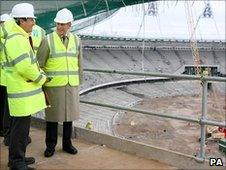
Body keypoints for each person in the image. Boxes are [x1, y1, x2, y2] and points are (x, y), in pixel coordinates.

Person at [4, 3, 48, 169]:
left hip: (23, 93)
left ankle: (18, 158)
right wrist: (41, 78)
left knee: (22, 129)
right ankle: (16, 162)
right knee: (19, 130)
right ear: (21, 20)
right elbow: (24, 67)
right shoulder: (16, 39)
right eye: (31, 19)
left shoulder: (19, 37)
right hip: (21, 92)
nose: (33, 23)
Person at [36, 8, 83, 157]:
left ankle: (67, 144)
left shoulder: (77, 40)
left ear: (70, 24)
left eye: (63, 24)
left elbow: (79, 63)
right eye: (58, 24)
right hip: (54, 86)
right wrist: (42, 83)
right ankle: (50, 146)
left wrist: (79, 81)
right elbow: (40, 63)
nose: (60, 27)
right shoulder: (47, 39)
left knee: (69, 117)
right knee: (52, 117)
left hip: (71, 85)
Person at [0, 13, 11, 137]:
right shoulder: (6, 40)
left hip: (5, 77)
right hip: (5, 78)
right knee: (5, 108)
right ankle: (4, 130)